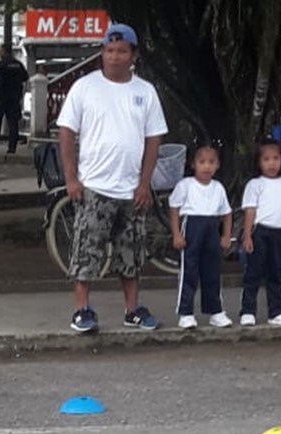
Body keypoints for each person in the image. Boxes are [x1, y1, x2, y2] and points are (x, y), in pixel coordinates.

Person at [57, 23, 168, 333]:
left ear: (133, 55)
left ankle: (132, 310)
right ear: (102, 53)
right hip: (94, 186)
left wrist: (144, 183)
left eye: (121, 51)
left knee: (131, 253)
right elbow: (66, 131)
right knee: (87, 250)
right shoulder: (85, 87)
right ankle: (82, 310)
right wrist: (71, 178)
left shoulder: (145, 92)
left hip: (131, 189)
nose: (115, 57)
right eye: (109, 51)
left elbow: (153, 139)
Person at [239, 139, 281, 327]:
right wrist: (247, 235)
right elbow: (250, 211)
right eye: (266, 159)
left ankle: (277, 311)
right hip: (260, 232)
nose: (271, 163)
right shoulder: (255, 184)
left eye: (276, 158)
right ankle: (248, 310)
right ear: (258, 162)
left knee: (277, 273)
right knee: (253, 272)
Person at [168, 143, 233, 329]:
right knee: (189, 270)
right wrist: (176, 234)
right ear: (193, 164)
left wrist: (226, 236)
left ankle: (215, 311)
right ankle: (186, 312)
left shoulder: (218, 188)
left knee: (212, 271)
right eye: (202, 162)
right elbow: (174, 209)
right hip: (192, 227)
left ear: (217, 165)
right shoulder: (185, 185)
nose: (206, 166)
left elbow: (226, 213)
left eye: (211, 162)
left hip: (211, 228)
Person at [0, 45, 28, 155]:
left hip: (2, 97)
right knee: (13, 123)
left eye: (1, 51)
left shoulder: (2, 64)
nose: (0, 53)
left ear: (4, 51)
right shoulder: (18, 64)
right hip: (14, 98)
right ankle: (12, 148)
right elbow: (25, 77)